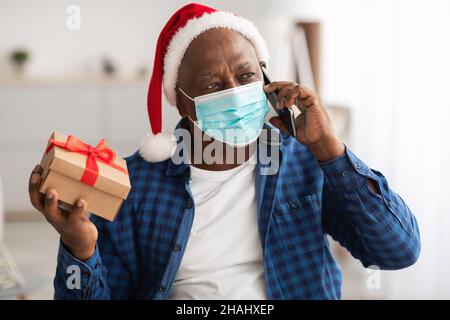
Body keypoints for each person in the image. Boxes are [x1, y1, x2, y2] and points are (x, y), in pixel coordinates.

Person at [28, 3, 420, 300]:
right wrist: (81, 247)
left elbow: (398, 251)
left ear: (267, 79)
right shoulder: (134, 186)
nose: (234, 90)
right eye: (213, 85)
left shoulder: (304, 160)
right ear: (182, 103)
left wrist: (329, 148)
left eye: (246, 75)